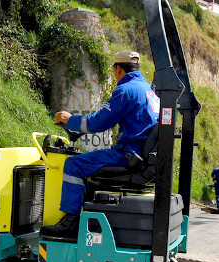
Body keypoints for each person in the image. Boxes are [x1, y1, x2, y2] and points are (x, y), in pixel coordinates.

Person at [41, 50, 160, 238]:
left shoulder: (126, 91)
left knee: (74, 164)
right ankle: (86, 214)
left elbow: (98, 122)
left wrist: (70, 120)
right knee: (89, 167)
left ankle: (70, 223)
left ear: (118, 69)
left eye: (114, 70)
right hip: (140, 154)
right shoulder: (150, 91)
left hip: (128, 154)